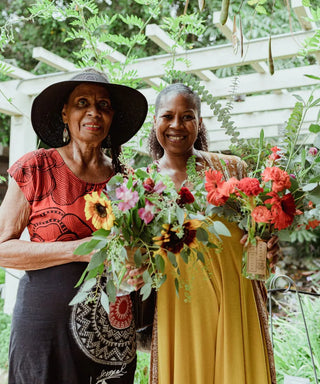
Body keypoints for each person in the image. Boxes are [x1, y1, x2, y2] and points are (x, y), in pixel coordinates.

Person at [0, 68, 148, 384]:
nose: (94, 112)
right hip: (43, 332)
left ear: (112, 118)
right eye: (82, 102)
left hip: (111, 335)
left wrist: (139, 266)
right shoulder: (35, 167)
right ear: (65, 113)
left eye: (104, 105)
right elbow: (2, 249)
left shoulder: (128, 182)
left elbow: (138, 253)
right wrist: (81, 250)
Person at [145, 83, 277, 383]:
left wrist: (267, 249)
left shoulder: (233, 170)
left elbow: (257, 243)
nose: (177, 125)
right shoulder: (143, 185)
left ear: (200, 122)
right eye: (168, 116)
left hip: (236, 300)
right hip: (180, 309)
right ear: (155, 122)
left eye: (188, 116)